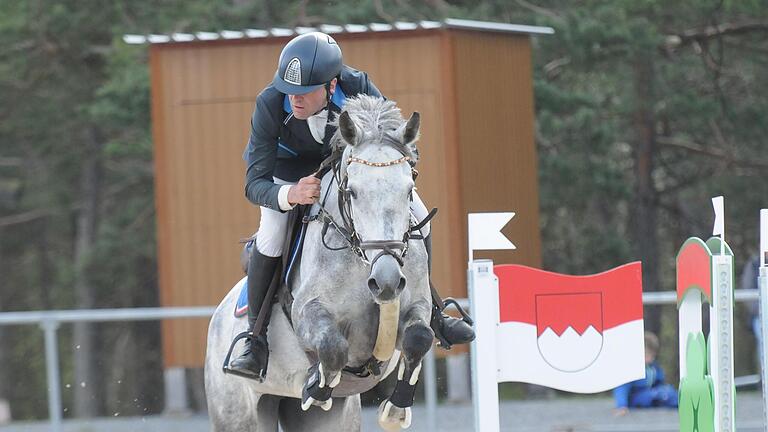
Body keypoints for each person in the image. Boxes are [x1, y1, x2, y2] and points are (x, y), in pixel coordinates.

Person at [229, 32, 475, 378]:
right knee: (270, 234)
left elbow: (398, 141)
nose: (294, 99)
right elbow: (254, 184)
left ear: (330, 86)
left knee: (421, 217)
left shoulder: (357, 85)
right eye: (289, 90)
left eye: (304, 92)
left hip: (350, 170)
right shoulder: (270, 103)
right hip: (287, 177)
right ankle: (254, 341)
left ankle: (432, 311)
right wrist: (291, 195)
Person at [613, 331, 678, 416]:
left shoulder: (653, 367)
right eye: (648, 355)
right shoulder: (630, 369)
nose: (651, 358)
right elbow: (622, 388)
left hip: (652, 392)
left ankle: (680, 403)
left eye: (653, 355)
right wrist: (622, 406)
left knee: (669, 391)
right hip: (636, 397)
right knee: (657, 395)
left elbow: (659, 381)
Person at [740, 254, 762, 365]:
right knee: (763, 344)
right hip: (759, 316)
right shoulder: (754, 264)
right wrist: (760, 309)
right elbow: (747, 290)